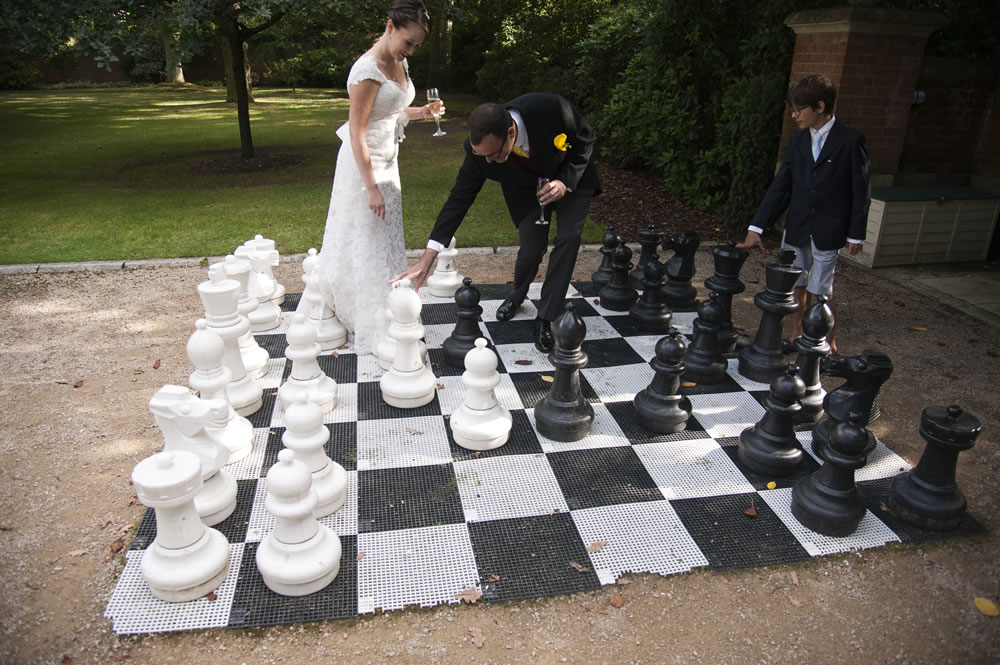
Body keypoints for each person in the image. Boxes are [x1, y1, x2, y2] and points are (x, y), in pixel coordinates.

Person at [392, 94, 601, 353]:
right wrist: (426, 260)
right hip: (526, 190)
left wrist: (565, 181)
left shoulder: (549, 108)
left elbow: (585, 138)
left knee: (569, 238)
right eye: (483, 156)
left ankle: (547, 315)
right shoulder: (479, 153)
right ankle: (517, 294)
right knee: (531, 249)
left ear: (511, 132)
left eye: (493, 154)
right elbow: (458, 201)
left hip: (572, 178)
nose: (488, 162)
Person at [317, 0, 442, 355]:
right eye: (408, 42)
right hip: (363, 167)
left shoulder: (398, 62)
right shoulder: (366, 71)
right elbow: (357, 131)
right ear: (390, 27)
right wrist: (370, 187)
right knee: (365, 237)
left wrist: (423, 111)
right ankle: (368, 314)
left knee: (386, 238)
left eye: (416, 45)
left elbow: (392, 113)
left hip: (389, 162)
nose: (411, 51)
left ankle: (390, 302)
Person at [737, 74, 870, 354]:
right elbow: (781, 187)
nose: (795, 116)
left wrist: (855, 233)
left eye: (799, 110)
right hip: (797, 226)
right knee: (795, 286)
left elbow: (860, 190)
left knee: (821, 290)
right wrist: (757, 227)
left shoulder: (850, 141)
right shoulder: (798, 143)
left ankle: (827, 342)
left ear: (819, 107)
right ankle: (798, 336)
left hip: (828, 228)